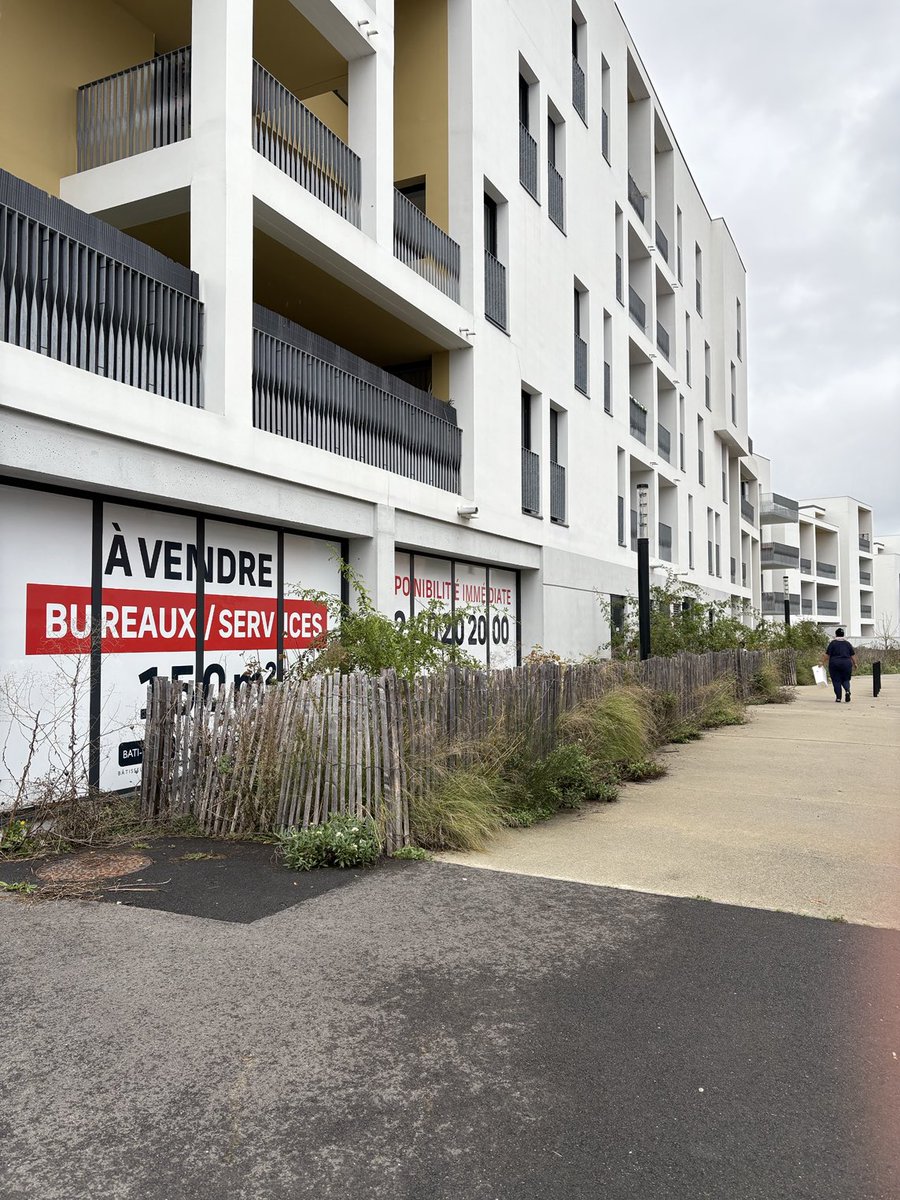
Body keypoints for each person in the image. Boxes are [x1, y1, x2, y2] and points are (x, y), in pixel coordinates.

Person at [823, 628, 857, 703]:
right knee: (846, 680)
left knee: (836, 680)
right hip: (846, 664)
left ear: (836, 634)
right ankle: (847, 691)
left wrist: (822, 662)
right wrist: (855, 664)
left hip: (834, 664)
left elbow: (827, 655)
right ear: (843, 634)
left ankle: (838, 698)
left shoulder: (833, 643)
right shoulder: (847, 644)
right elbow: (852, 655)